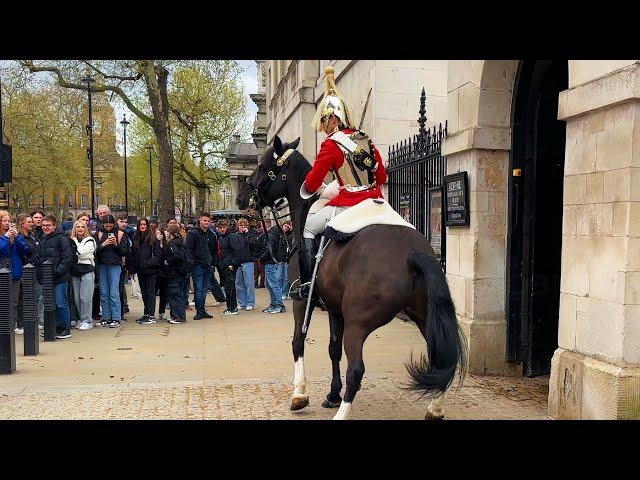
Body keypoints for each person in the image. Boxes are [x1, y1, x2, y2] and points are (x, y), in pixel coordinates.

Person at [292, 65, 387, 300]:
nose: (324, 129)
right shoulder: (365, 139)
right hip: (376, 203)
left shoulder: (332, 144)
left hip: (349, 204)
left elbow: (313, 181)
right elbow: (382, 177)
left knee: (308, 227)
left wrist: (314, 189)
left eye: (325, 122)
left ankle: (308, 286)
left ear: (334, 119)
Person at [38, 215, 74, 339]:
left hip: (60, 277)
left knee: (61, 302)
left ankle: (65, 328)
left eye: (48, 225)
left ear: (54, 225)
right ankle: (55, 327)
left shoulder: (62, 239)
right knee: (50, 303)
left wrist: (56, 272)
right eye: (43, 225)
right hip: (48, 278)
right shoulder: (43, 239)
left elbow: (68, 258)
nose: (45, 227)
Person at [94, 214, 129, 328]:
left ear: (113, 224)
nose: (108, 228)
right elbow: (94, 250)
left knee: (114, 292)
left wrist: (115, 244)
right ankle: (106, 316)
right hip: (102, 265)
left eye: (110, 226)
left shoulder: (120, 234)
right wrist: (103, 244)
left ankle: (116, 318)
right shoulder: (98, 234)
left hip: (115, 265)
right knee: (104, 293)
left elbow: (125, 251)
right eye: (106, 225)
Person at [0, 211, 29, 334]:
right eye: (4, 221)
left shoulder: (17, 235)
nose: (7, 223)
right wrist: (6, 237)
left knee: (13, 300)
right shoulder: (4, 237)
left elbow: (25, 250)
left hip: (15, 271)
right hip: (2, 270)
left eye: (9, 221)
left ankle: (13, 323)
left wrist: (17, 237)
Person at [129, 218, 162, 325]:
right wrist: (133, 269)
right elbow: (133, 255)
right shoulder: (136, 238)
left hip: (151, 270)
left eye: (144, 224)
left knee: (150, 293)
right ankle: (146, 313)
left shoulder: (153, 239)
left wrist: (147, 264)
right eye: (141, 225)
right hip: (140, 271)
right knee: (144, 293)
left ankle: (151, 315)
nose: (142, 226)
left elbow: (158, 256)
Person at [185, 213, 216, 320]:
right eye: (204, 220)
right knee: (198, 289)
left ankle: (202, 310)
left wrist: (213, 263)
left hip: (208, 265)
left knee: (204, 289)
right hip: (197, 265)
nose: (206, 223)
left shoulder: (211, 235)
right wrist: (192, 262)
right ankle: (199, 311)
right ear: (200, 220)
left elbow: (214, 250)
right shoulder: (193, 234)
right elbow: (188, 250)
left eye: (208, 221)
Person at [69, 220, 97, 330]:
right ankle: (81, 319)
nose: (80, 229)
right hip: (75, 271)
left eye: (82, 227)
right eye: (77, 227)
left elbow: (80, 252)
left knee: (86, 297)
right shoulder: (71, 239)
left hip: (87, 270)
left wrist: (74, 244)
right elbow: (73, 254)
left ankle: (87, 320)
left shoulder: (90, 240)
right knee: (76, 298)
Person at [16, 214, 41, 331]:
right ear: (22, 223)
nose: (32, 224)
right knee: (23, 297)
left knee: (33, 297)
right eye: (29, 222)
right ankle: (21, 323)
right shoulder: (20, 237)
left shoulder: (33, 236)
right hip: (25, 269)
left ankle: (30, 321)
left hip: (34, 269)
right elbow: (24, 252)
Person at [163, 224, 189, 324]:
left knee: (175, 294)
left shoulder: (172, 244)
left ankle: (178, 316)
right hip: (180, 272)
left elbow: (177, 256)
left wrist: (168, 261)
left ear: (170, 232)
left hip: (174, 272)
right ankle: (176, 315)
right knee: (177, 294)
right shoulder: (181, 242)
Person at [260, 223, 287, 314]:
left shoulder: (271, 236)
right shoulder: (277, 235)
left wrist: (261, 258)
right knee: (270, 284)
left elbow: (269, 250)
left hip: (270, 262)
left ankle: (279, 305)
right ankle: (274, 304)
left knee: (273, 284)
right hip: (273, 261)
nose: (261, 228)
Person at [234, 217, 257, 311]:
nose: (242, 227)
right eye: (241, 225)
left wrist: (248, 234)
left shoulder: (251, 235)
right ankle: (242, 302)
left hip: (248, 261)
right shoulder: (235, 236)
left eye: (244, 225)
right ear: (238, 226)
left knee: (249, 283)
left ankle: (250, 302)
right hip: (238, 262)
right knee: (239, 283)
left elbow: (254, 243)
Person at [218, 219, 240, 316]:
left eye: (223, 227)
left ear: (227, 227)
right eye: (220, 228)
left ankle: (232, 308)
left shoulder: (231, 236)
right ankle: (230, 307)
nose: (222, 229)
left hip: (229, 265)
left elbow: (236, 251)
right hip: (225, 264)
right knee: (228, 287)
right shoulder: (222, 237)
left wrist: (232, 264)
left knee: (230, 287)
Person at [117, 213, 134, 316]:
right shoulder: (116, 233)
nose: (124, 224)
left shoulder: (129, 233)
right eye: (121, 221)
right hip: (116, 263)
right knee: (118, 287)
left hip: (124, 264)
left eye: (125, 222)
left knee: (121, 287)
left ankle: (122, 309)